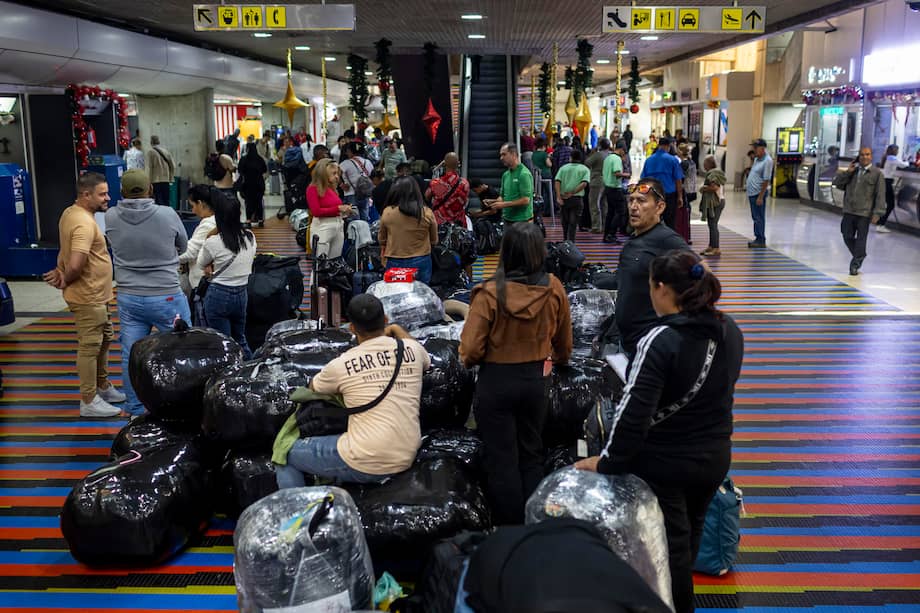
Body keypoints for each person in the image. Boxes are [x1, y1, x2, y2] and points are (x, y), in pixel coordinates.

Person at [576, 250, 744, 613]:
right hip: (714, 456)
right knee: (691, 534)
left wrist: (606, 462)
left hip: (667, 463)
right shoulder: (729, 329)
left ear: (663, 289)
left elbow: (634, 413)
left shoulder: (661, 339)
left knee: (671, 552)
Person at [460, 222, 573, 525]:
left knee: (501, 459)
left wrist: (472, 360)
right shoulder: (554, 287)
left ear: (505, 253)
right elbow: (564, 343)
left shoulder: (488, 294)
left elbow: (470, 349)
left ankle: (508, 530)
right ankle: (534, 522)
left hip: (496, 383)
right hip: (536, 381)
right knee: (532, 452)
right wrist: (558, 361)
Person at [274, 294, 430, 487]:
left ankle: (297, 514)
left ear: (352, 328)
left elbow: (314, 387)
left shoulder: (341, 364)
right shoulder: (412, 349)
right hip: (407, 452)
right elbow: (425, 359)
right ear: (386, 320)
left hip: (366, 460)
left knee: (285, 453)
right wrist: (397, 330)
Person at [104, 169, 190, 417]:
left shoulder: (110, 216)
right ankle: (180, 407)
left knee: (131, 354)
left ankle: (133, 408)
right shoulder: (167, 214)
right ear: (150, 189)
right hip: (167, 296)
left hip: (129, 296)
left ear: (122, 192)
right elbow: (183, 245)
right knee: (179, 351)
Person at [42, 173, 123, 417]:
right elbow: (76, 262)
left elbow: (63, 250)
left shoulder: (70, 213)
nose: (107, 198)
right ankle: (89, 400)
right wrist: (66, 276)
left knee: (105, 338)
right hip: (87, 296)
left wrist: (59, 270)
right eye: (102, 194)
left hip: (97, 294)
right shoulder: (84, 224)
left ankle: (102, 385)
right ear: (86, 195)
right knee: (90, 346)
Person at [610, 178, 688, 361]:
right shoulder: (635, 241)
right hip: (628, 343)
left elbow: (703, 276)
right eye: (631, 200)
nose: (634, 207)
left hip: (650, 348)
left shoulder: (667, 240)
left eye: (642, 201)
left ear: (660, 207)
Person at [196, 192, 257, 357]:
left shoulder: (213, 242)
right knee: (240, 339)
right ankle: (251, 372)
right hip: (242, 294)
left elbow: (201, 263)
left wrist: (211, 234)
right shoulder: (250, 238)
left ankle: (227, 378)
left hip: (219, 295)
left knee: (221, 345)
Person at [833, 147, 885, 276]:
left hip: (864, 213)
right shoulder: (853, 171)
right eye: (862, 155)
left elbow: (880, 195)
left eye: (867, 154)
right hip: (849, 210)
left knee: (861, 239)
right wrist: (848, 172)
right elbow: (837, 184)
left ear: (871, 156)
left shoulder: (877, 174)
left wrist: (877, 213)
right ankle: (860, 254)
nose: (864, 157)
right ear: (858, 157)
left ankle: (855, 264)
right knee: (846, 235)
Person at [379, 176, 438, 284]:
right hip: (421, 259)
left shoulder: (387, 212)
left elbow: (382, 239)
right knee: (421, 295)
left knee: (396, 295)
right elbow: (434, 240)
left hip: (394, 260)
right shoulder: (426, 213)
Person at [307, 158, 353, 258]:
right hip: (322, 227)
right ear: (324, 173)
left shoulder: (332, 189)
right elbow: (316, 211)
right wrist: (339, 209)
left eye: (337, 173)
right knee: (321, 263)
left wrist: (345, 211)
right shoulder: (313, 189)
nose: (337, 177)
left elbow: (334, 208)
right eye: (334, 173)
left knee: (335, 263)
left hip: (338, 226)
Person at [178, 184, 219, 296]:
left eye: (193, 206)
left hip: (202, 283)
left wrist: (166, 258)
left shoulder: (208, 225)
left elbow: (190, 252)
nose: (193, 210)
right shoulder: (217, 220)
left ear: (200, 204)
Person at [483, 143, 534, 225]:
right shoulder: (505, 175)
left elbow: (525, 200)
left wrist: (503, 205)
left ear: (513, 154)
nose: (501, 158)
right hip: (507, 220)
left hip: (522, 221)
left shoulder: (523, 174)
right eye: (500, 155)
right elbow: (503, 197)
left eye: (504, 154)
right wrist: (494, 202)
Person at [640, 136, 684, 230]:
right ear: (668, 147)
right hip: (669, 196)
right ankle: (669, 242)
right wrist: (680, 196)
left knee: (653, 220)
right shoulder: (673, 160)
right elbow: (678, 180)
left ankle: (653, 241)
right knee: (670, 222)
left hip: (653, 196)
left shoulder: (649, 160)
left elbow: (643, 180)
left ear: (659, 146)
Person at [554, 148, 590, 242]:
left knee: (565, 222)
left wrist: (558, 196)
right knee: (573, 223)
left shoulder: (563, 168)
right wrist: (573, 192)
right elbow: (584, 183)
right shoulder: (584, 169)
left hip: (563, 198)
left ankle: (565, 241)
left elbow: (557, 181)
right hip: (577, 199)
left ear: (570, 158)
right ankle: (571, 243)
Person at [426, 152, 470, 226]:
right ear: (458, 164)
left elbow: (427, 197)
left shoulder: (436, 183)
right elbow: (465, 202)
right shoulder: (465, 183)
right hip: (458, 224)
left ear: (444, 164)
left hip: (439, 224)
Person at [746, 138, 773, 248]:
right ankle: (758, 237)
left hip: (758, 193)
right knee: (755, 217)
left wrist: (761, 197)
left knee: (759, 217)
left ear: (762, 148)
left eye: (755, 148)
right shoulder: (757, 159)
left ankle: (761, 239)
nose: (754, 150)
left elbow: (766, 180)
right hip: (752, 193)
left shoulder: (767, 161)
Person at [698, 156, 727, 257]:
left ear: (709, 164)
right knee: (711, 224)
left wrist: (703, 188)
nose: (704, 166)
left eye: (705, 164)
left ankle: (716, 248)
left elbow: (714, 187)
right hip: (719, 201)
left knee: (713, 225)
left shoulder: (713, 174)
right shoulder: (716, 172)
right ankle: (711, 245)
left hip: (716, 203)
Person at [602, 139, 629, 244]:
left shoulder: (608, 158)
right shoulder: (617, 159)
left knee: (611, 213)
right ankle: (612, 234)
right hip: (615, 188)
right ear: (621, 150)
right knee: (621, 211)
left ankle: (606, 235)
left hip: (607, 188)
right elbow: (617, 173)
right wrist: (626, 175)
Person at [340, 141, 375, 221]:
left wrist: (341, 184)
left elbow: (337, 173)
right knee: (364, 219)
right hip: (365, 195)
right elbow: (373, 176)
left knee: (353, 220)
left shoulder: (345, 163)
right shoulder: (368, 162)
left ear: (350, 151)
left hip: (350, 194)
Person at [878, 144, 909, 232]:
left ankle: (880, 223)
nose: (898, 152)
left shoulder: (887, 157)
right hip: (887, 182)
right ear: (894, 150)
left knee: (888, 204)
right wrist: (907, 161)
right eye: (897, 150)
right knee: (891, 204)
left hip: (884, 182)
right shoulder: (892, 158)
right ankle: (881, 225)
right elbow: (903, 165)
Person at [584, 138, 611, 234]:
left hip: (597, 181)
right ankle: (604, 225)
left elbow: (587, 162)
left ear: (600, 145)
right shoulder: (610, 155)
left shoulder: (598, 155)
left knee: (594, 204)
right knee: (604, 205)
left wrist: (592, 152)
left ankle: (596, 226)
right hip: (607, 181)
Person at [237, 142, 267, 226]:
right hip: (259, 183)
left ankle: (248, 220)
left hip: (247, 184)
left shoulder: (244, 159)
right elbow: (264, 169)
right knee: (258, 202)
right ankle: (260, 220)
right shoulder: (259, 159)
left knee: (248, 202)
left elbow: (240, 170)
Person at [146, 135, 175, 207]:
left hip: (155, 181)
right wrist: (171, 178)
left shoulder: (150, 152)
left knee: (158, 201)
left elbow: (149, 168)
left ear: (151, 142)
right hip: (165, 180)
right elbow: (173, 166)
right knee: (166, 200)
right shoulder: (165, 151)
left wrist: (148, 181)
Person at [531, 137, 553, 207]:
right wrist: (549, 158)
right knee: (549, 192)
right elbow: (549, 164)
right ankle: (549, 209)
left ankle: (541, 209)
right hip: (546, 174)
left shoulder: (533, 154)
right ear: (543, 146)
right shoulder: (544, 154)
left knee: (540, 193)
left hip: (537, 175)